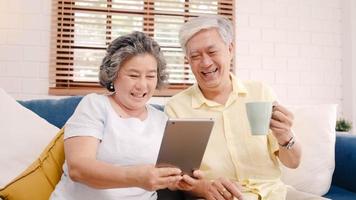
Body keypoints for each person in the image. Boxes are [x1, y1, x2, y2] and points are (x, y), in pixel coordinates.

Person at [164, 15, 321, 200]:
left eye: (212, 52)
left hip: (275, 193)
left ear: (230, 50)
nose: (205, 62)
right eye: (195, 56)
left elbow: (293, 162)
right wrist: (204, 188)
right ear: (188, 61)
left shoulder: (260, 93)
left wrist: (285, 136)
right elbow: (176, 178)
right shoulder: (177, 108)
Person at [50, 31, 193, 200]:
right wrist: (136, 177)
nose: (142, 85)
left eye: (150, 76)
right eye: (133, 75)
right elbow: (78, 169)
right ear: (113, 74)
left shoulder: (161, 120)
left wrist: (177, 181)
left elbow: (164, 176)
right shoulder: (95, 105)